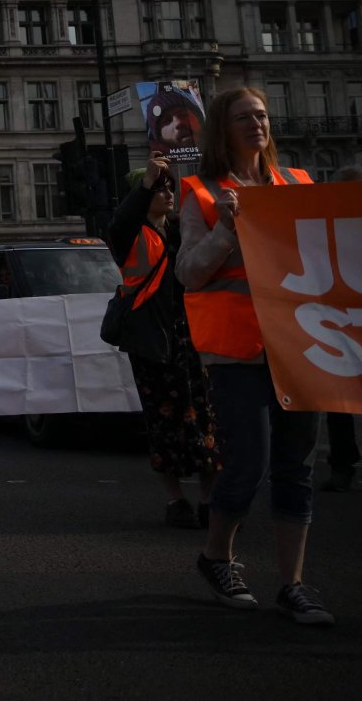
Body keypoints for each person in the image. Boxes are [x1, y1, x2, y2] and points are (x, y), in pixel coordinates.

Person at [176, 86, 330, 625]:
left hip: (301, 345)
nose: (257, 124)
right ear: (222, 128)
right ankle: (217, 555)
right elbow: (189, 273)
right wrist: (225, 228)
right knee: (249, 462)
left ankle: (293, 584)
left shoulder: (298, 185)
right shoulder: (200, 192)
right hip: (238, 351)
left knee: (296, 468)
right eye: (244, 117)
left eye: (262, 115)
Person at [106, 153, 219, 529]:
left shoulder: (183, 231)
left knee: (205, 422)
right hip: (153, 343)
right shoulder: (130, 236)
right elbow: (120, 221)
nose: (168, 194)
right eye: (159, 189)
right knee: (163, 424)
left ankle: (208, 499)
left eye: (171, 188)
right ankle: (176, 501)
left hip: (192, 339)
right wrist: (145, 181)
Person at [319, 162, 362, 492]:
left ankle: (343, 467)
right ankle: (343, 464)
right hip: (338, 323)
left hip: (342, 321)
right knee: (337, 403)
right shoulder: (324, 226)